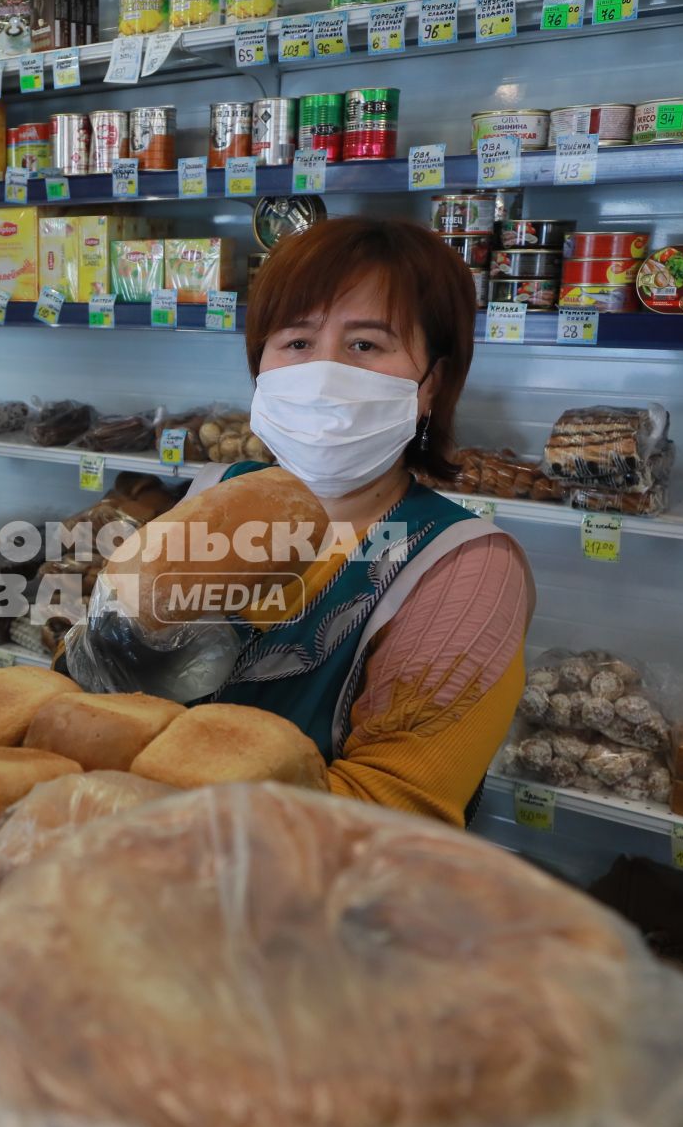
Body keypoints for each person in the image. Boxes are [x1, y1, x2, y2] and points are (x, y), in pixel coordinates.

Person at [85, 217, 534, 826]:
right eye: (296, 343)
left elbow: (393, 814)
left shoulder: (464, 567)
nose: (323, 375)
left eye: (366, 345)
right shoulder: (216, 491)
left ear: (434, 383)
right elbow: (99, 676)